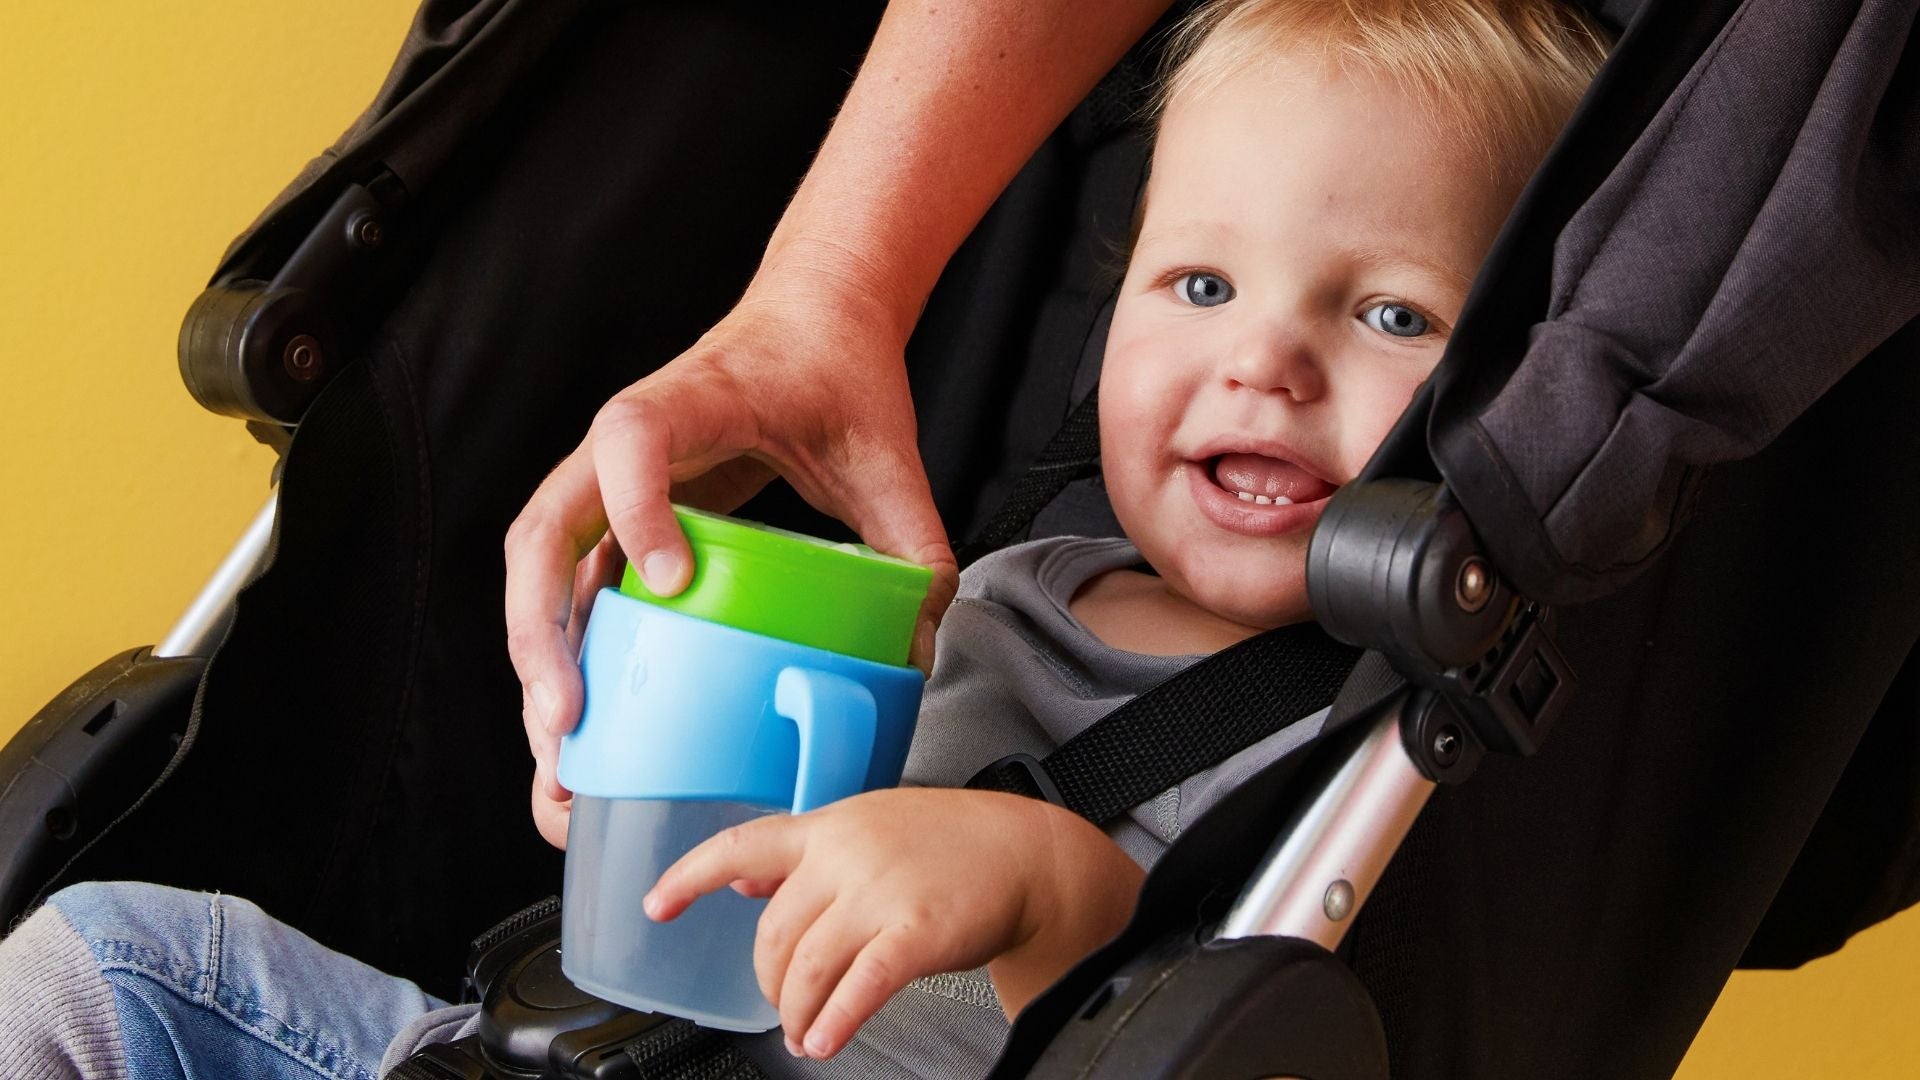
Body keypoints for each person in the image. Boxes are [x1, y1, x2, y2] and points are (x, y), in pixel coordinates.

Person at [0, 0, 1608, 1076]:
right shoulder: (1015, 580)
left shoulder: (1377, 739)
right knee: (102, 959)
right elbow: (745, 830)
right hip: (543, 1043)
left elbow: (1163, 1008)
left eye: (1392, 313)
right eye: (1199, 287)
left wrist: (1037, 886)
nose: (1264, 357)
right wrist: (630, 732)